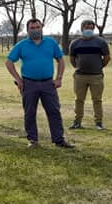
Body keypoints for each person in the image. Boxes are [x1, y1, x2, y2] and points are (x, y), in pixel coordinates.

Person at [5, 19, 74, 148]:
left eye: (38, 27)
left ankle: (59, 140)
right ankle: (32, 140)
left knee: (54, 111)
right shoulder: (22, 45)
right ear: (27, 30)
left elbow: (60, 59)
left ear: (42, 28)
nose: (35, 30)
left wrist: (59, 78)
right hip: (29, 84)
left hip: (48, 83)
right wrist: (18, 80)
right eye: (32, 28)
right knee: (30, 112)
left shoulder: (51, 43)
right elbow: (9, 62)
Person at [68, 20, 111, 130]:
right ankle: (77, 122)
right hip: (80, 76)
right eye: (87, 27)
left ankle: (98, 122)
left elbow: (107, 57)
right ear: (82, 28)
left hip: (96, 76)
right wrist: (78, 67)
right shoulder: (75, 43)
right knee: (79, 100)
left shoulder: (101, 42)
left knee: (97, 100)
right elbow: (72, 59)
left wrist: (99, 66)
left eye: (91, 28)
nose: (89, 30)